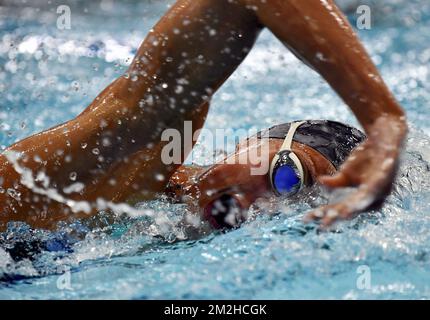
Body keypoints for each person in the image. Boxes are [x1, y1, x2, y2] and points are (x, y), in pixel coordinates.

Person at [0, 0, 407, 231]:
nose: (262, 208)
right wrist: (384, 121)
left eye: (291, 214)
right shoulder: (145, 146)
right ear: (254, 143)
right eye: (287, 177)